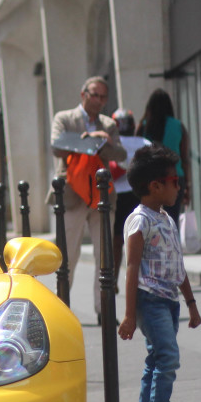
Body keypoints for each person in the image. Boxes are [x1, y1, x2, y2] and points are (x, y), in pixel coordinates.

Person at [118, 144, 201, 402]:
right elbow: (132, 267)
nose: (179, 187)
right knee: (168, 356)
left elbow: (178, 267)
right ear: (155, 186)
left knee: (156, 358)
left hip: (168, 300)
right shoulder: (140, 220)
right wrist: (129, 314)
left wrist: (191, 304)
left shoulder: (165, 219)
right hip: (149, 298)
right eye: (175, 181)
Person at [50, 76, 127, 317]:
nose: (99, 100)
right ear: (83, 94)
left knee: (104, 255)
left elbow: (120, 153)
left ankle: (103, 308)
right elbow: (57, 146)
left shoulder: (109, 124)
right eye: (95, 95)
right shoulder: (64, 118)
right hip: (72, 194)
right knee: (67, 256)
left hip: (102, 196)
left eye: (103, 96)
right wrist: (94, 139)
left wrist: (98, 144)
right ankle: (61, 308)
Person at [137, 88, 190, 221]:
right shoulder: (178, 126)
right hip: (174, 178)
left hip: (150, 179)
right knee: (171, 220)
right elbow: (185, 159)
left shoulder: (144, 126)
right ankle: (171, 242)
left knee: (149, 219)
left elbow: (137, 155)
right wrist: (187, 186)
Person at [110, 109, 149, 276]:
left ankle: (113, 277)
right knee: (139, 239)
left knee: (116, 240)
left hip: (117, 195)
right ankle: (139, 279)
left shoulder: (112, 144)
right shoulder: (145, 143)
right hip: (139, 196)